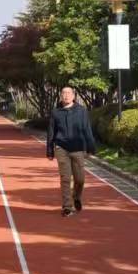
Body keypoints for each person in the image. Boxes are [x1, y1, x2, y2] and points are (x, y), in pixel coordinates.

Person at [46, 86, 97, 215]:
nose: (66, 95)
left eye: (69, 93)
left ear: (73, 96)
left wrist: (91, 147)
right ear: (60, 96)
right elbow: (51, 132)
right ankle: (67, 206)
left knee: (80, 179)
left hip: (78, 148)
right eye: (64, 93)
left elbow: (87, 129)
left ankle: (76, 197)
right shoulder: (56, 112)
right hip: (61, 148)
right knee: (65, 178)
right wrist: (50, 150)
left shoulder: (81, 111)